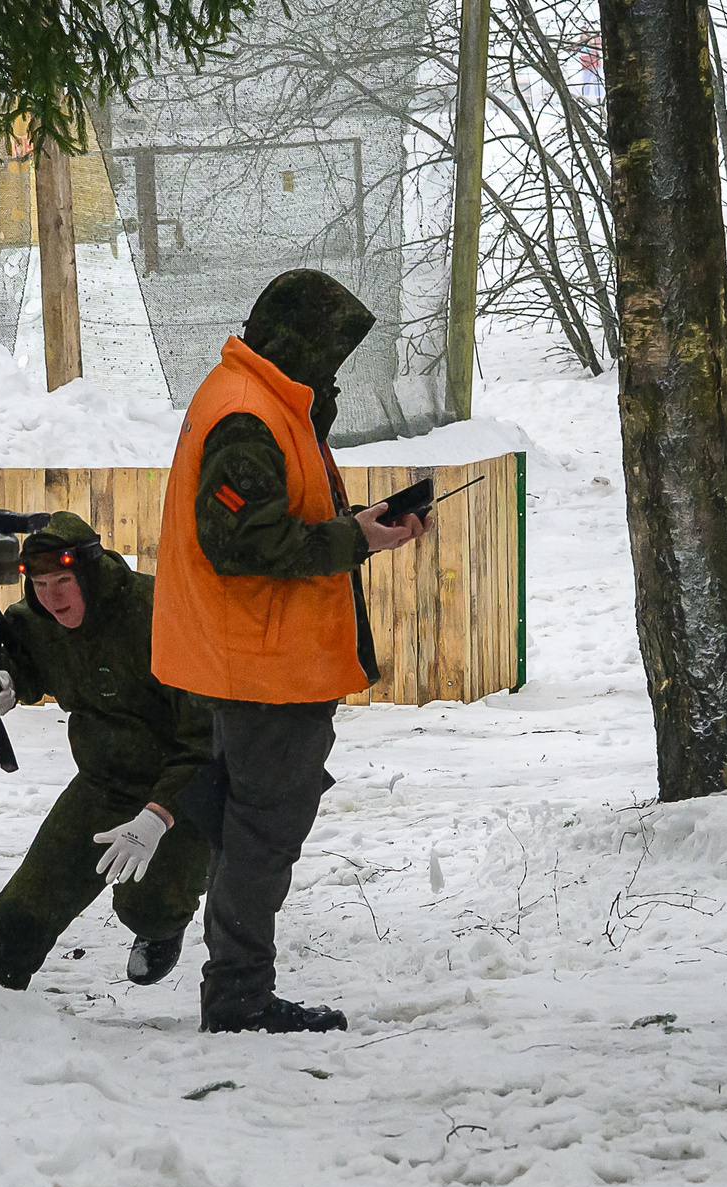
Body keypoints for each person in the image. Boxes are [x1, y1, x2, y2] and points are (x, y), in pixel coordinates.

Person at [151, 269, 428, 1035]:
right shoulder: (248, 413)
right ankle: (237, 996)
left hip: (255, 657)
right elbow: (244, 542)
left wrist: (360, 525)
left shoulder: (265, 400)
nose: (334, 367)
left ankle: (211, 961)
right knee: (263, 831)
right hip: (263, 666)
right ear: (298, 339)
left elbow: (281, 515)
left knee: (247, 816)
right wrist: (358, 538)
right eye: (331, 351)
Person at [0, 512, 213, 991]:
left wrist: (157, 817)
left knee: (148, 903)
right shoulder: (34, 620)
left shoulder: (159, 612)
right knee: (31, 899)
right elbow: (23, 659)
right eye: (41, 583)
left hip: (188, 786)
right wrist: (3, 681)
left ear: (88, 573)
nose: (52, 597)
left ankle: (159, 929)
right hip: (105, 780)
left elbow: (209, 736)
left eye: (64, 581)